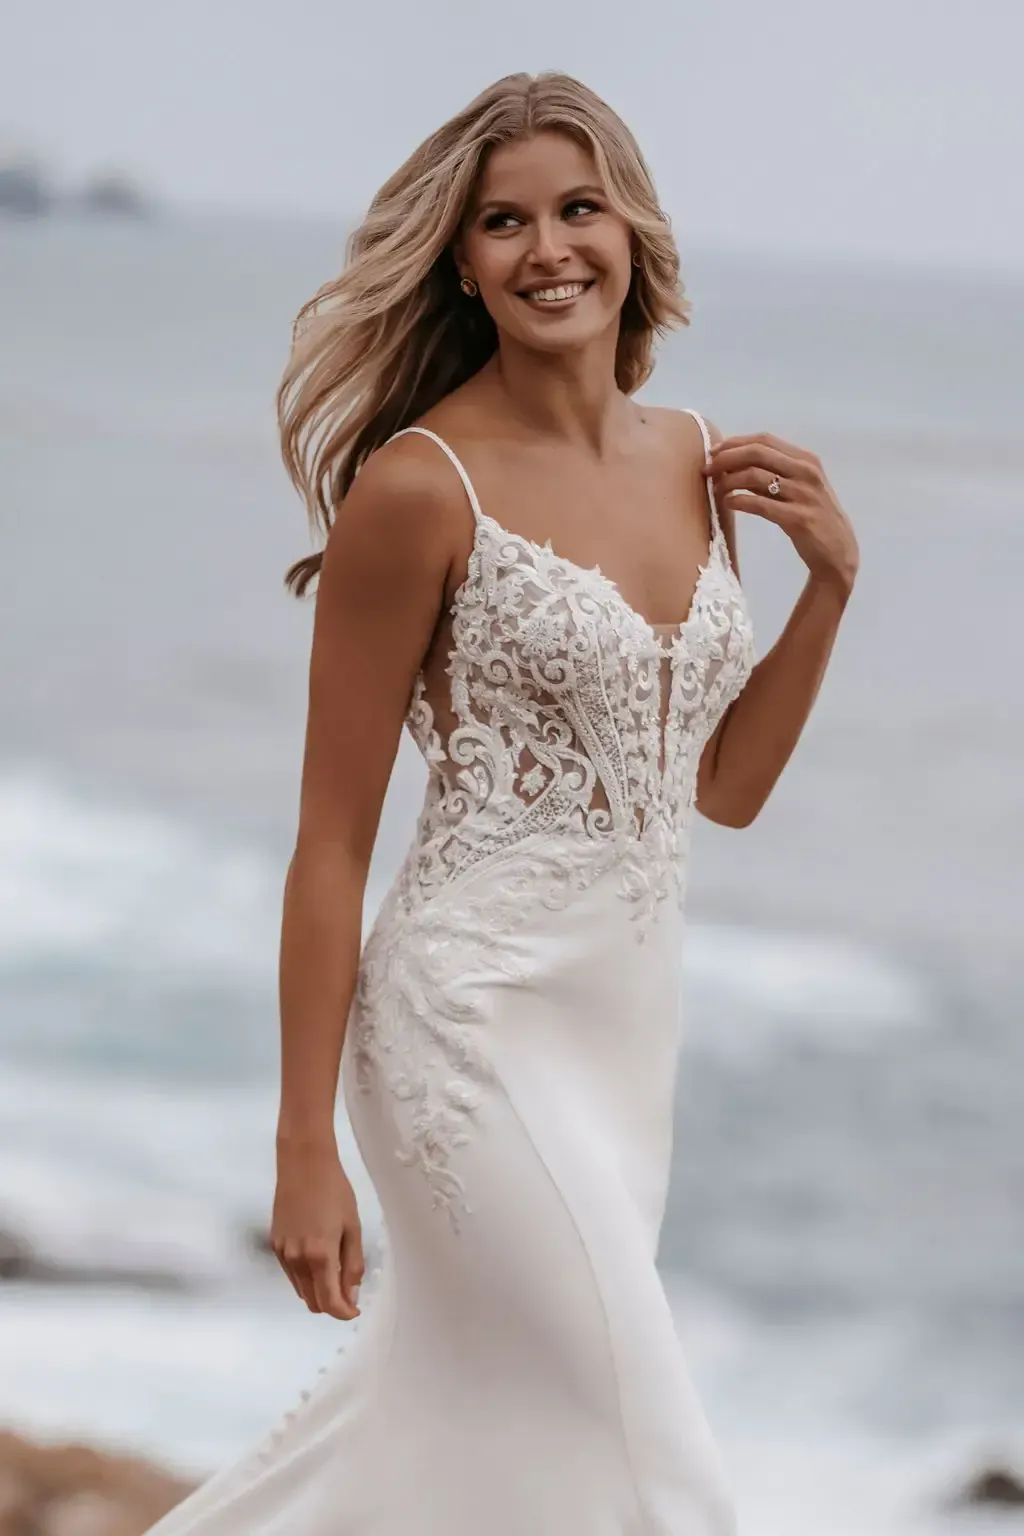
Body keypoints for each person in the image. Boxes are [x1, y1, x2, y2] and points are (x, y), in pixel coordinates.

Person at [147, 70, 858, 1536]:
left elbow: (718, 791)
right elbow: (331, 844)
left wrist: (831, 590)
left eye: (578, 207)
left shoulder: (696, 462)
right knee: (648, 1451)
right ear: (460, 262)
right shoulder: (419, 490)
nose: (550, 249)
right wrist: (301, 1144)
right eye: (504, 222)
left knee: (461, 1446)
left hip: (624, 1040)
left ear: (633, 230)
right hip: (465, 1028)